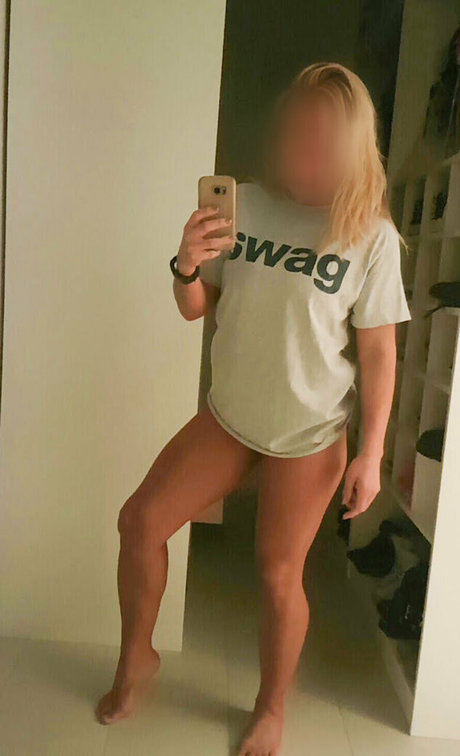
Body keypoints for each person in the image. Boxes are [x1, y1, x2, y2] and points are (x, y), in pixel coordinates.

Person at [96, 62, 410, 756]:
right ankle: (137, 656)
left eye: (320, 141)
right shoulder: (247, 207)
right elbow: (196, 308)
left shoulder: (371, 236)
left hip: (312, 432)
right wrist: (185, 264)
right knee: (139, 522)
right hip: (230, 416)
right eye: (295, 135)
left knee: (276, 576)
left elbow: (379, 353)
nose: (302, 153)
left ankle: (271, 707)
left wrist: (371, 453)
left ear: (352, 145)